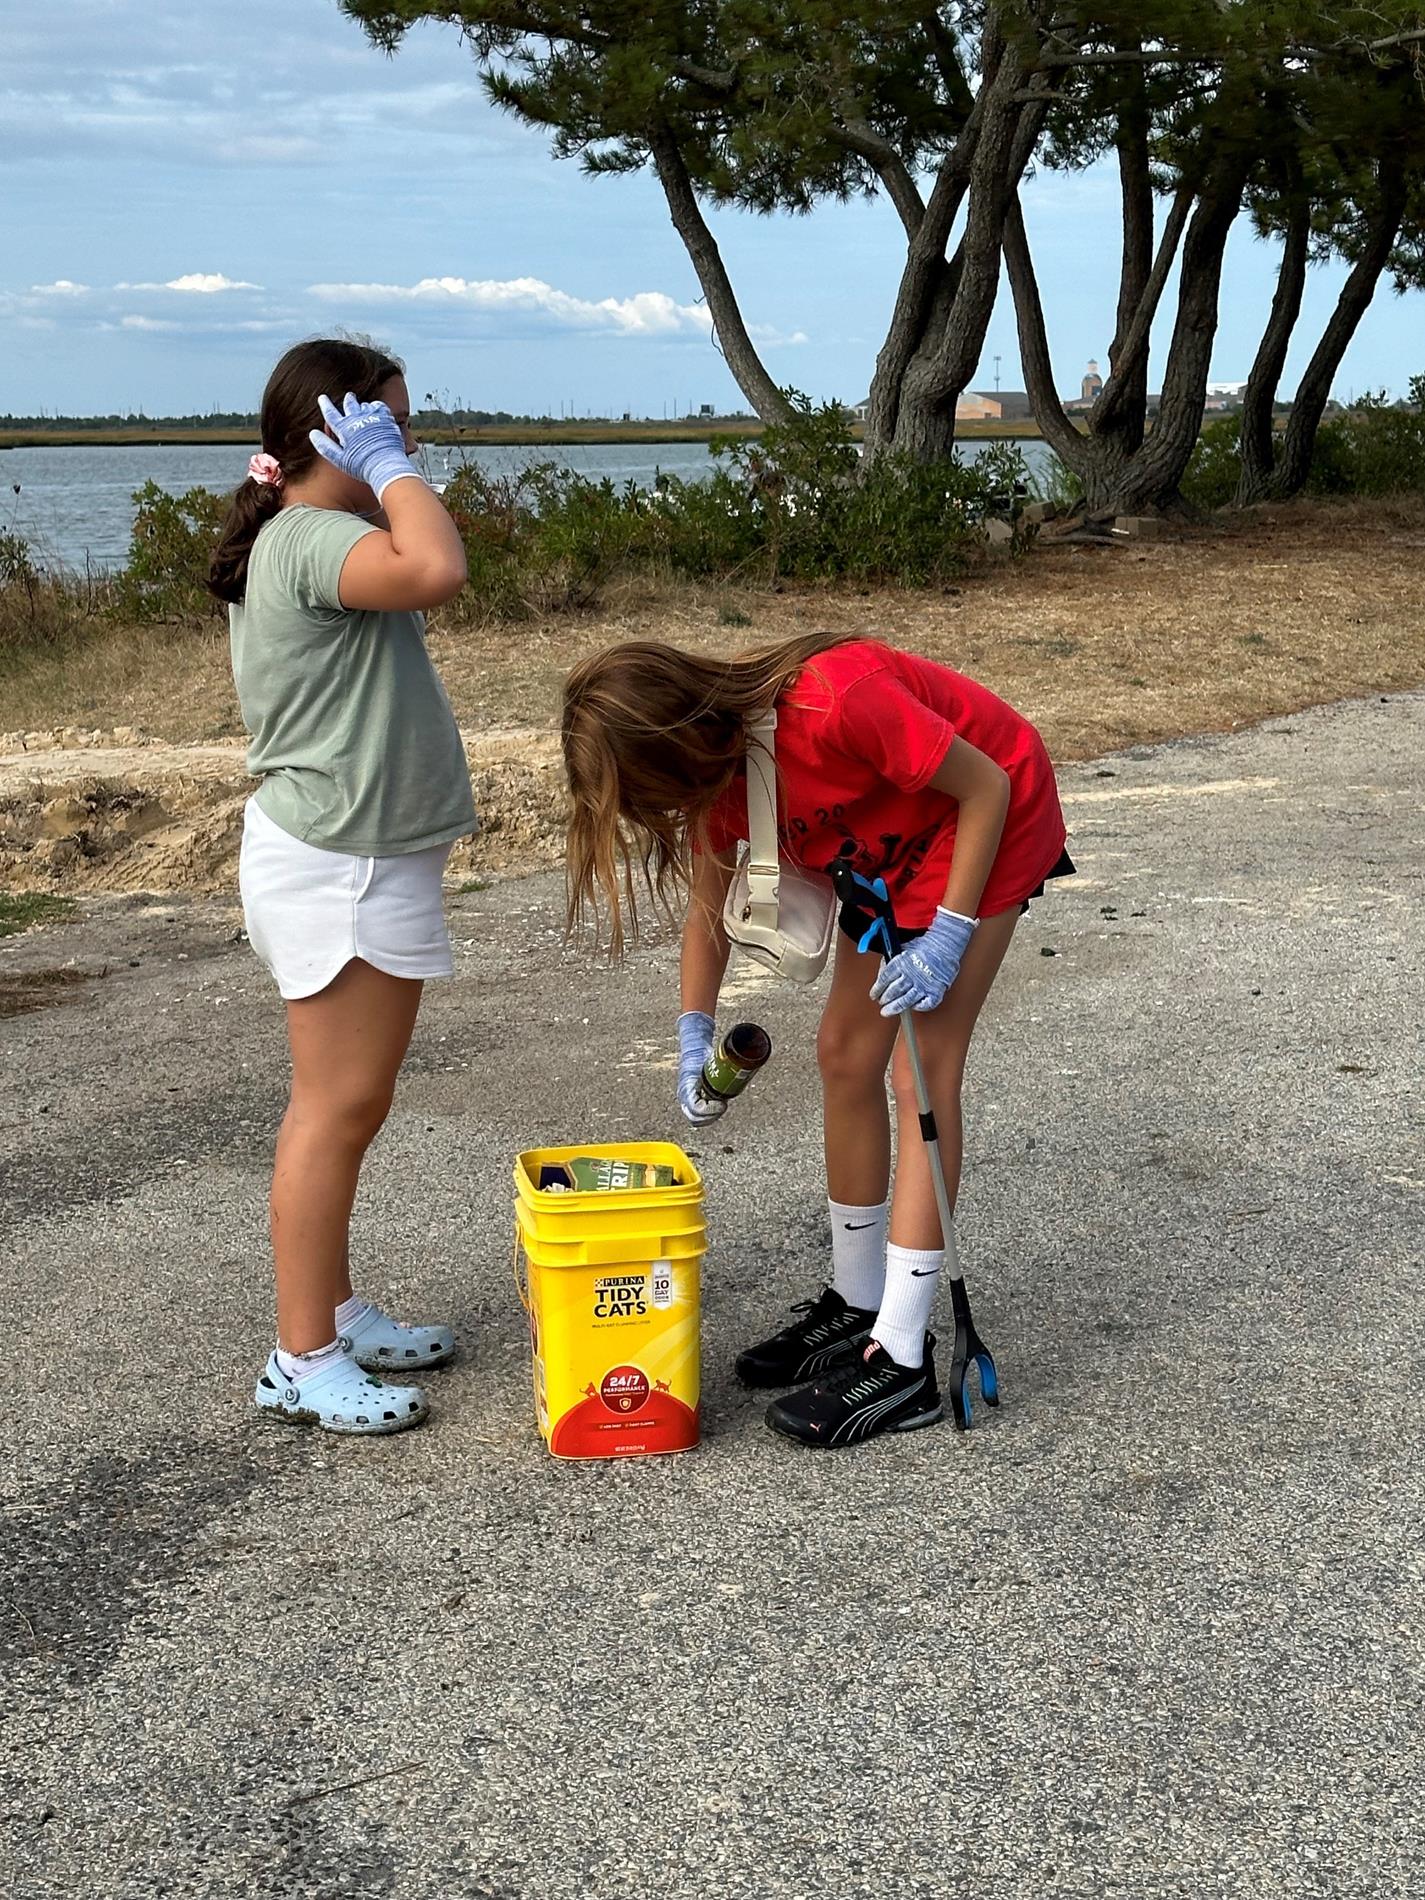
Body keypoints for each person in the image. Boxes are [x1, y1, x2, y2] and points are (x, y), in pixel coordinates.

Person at [562, 634, 1071, 1447]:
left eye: (658, 796)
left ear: (682, 740)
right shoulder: (720, 777)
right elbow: (707, 912)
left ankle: (902, 1360)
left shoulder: (834, 702)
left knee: (921, 1074)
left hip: (984, 823)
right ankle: (855, 1301)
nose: (665, 815)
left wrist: (947, 934)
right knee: (843, 1053)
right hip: (886, 856)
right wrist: (692, 1036)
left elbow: (987, 784)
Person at [208, 338, 475, 1435]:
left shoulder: (316, 532)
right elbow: (440, 570)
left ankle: (332, 1309)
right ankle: (301, 1356)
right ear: (334, 432)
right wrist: (391, 470)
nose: (407, 443)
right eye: (389, 423)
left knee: (353, 1107)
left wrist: (389, 467)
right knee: (333, 1109)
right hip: (336, 865)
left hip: (359, 857)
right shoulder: (316, 537)